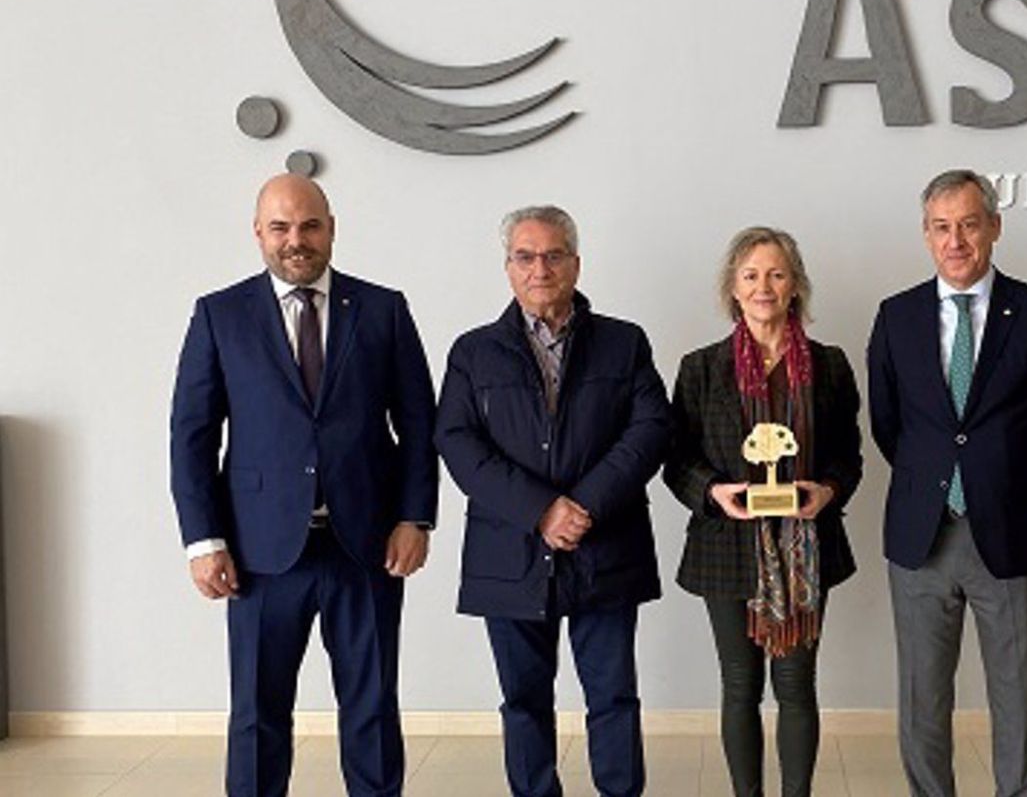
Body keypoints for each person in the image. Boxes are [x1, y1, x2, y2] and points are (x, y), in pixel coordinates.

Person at [170, 174, 438, 797]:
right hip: (259, 555)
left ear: (332, 229)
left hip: (366, 548)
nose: (297, 240)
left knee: (371, 711)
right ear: (258, 233)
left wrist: (415, 516)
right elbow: (191, 434)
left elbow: (421, 425)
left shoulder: (383, 309)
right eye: (282, 227)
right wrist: (202, 540)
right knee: (258, 715)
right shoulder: (219, 314)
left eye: (310, 225)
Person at [867, 169, 1027, 797]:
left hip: (1010, 534)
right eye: (942, 227)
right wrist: (934, 484)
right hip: (921, 536)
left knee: (1017, 696)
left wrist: (1020, 489)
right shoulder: (896, 317)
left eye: (969, 224)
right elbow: (889, 426)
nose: (956, 240)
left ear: (994, 227)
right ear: (926, 235)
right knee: (922, 700)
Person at [433, 205, 671, 797]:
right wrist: (541, 510)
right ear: (509, 268)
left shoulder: (624, 342)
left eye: (553, 255)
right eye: (525, 256)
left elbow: (650, 430)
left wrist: (582, 504)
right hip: (509, 553)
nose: (541, 268)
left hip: (606, 546)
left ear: (576, 263)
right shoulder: (472, 353)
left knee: (613, 697)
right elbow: (456, 442)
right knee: (523, 701)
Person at [664, 227, 862, 797]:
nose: (764, 286)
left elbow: (849, 456)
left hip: (807, 549)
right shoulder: (701, 368)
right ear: (732, 286)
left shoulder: (829, 366)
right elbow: (676, 460)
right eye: (751, 275)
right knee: (739, 684)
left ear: (795, 284)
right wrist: (714, 492)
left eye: (776, 274)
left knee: (797, 684)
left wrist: (827, 491)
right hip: (726, 547)